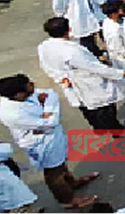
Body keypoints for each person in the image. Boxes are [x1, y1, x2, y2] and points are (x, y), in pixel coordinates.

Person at [0, 75, 100, 209]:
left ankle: (71, 183)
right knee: (54, 173)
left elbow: (50, 94)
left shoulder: (22, 96)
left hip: (50, 137)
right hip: (41, 144)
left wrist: (46, 113)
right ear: (18, 95)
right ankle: (67, 200)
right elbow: (51, 122)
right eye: (29, 86)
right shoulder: (13, 114)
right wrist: (47, 109)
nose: (33, 87)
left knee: (60, 163)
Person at [37, 17, 125, 130]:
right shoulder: (72, 51)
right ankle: (117, 131)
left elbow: (46, 66)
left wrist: (60, 78)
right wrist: (119, 73)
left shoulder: (44, 47)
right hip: (87, 82)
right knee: (104, 109)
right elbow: (94, 67)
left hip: (70, 82)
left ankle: (98, 128)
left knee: (84, 107)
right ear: (69, 29)